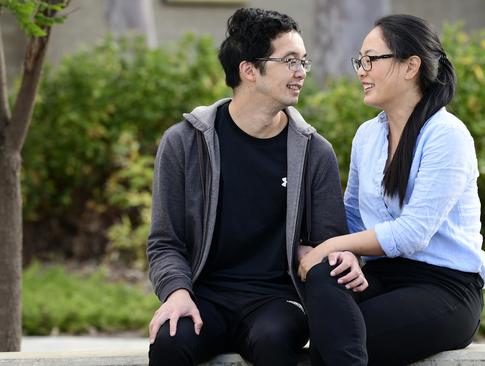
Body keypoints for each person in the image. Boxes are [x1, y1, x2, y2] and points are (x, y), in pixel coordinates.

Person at [146, 8, 367, 366]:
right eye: (291, 61)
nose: (301, 73)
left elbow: (331, 243)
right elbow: (165, 241)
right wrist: (176, 292)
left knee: (273, 340)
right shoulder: (184, 143)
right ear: (249, 70)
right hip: (205, 297)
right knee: (170, 341)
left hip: (277, 301)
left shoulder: (314, 152)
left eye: (304, 62)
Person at [299, 14, 485, 365]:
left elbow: (413, 232)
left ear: (410, 66)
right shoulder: (367, 136)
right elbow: (353, 217)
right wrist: (348, 256)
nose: (361, 70)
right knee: (326, 275)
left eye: (372, 59)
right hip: (381, 277)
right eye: (360, 60)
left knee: (340, 337)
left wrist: (331, 245)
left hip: (445, 287)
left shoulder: (447, 135)